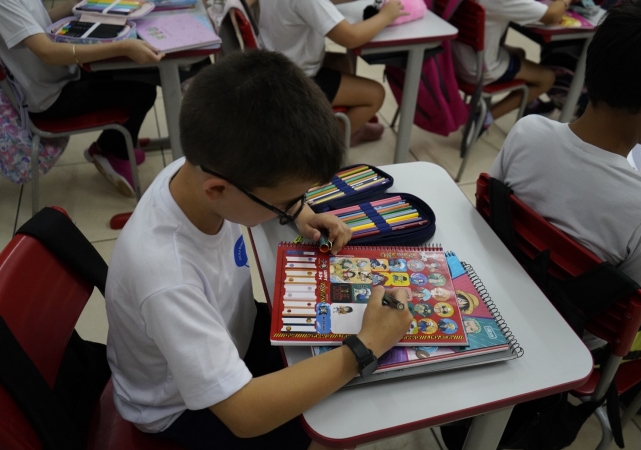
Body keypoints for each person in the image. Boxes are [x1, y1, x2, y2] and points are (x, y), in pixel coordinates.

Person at [104, 50, 413, 450]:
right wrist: (366, 347)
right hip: (179, 410)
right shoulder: (166, 275)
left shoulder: (201, 167)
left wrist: (300, 211)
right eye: (284, 201)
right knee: (346, 416)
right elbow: (245, 416)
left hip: (234, 336)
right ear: (218, 189)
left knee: (347, 357)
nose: (291, 207)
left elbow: (255, 194)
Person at [489, 0, 641, 415]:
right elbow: (630, 321)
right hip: (573, 342)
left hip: (498, 294)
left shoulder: (528, 131)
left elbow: (490, 215)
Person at [0, 0, 162, 197]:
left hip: (62, 75)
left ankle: (114, 145)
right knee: (142, 92)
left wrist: (77, 4)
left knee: (138, 74)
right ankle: (113, 152)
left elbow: (37, 24)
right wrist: (123, 47)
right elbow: (47, 53)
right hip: (51, 97)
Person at [258, 0, 407, 147]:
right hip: (294, 83)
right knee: (376, 94)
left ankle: (352, 128)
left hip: (272, 66)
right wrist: (386, 15)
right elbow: (351, 38)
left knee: (340, 60)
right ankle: (327, 143)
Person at [451, 0, 566, 132]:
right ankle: (484, 119)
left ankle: (529, 102)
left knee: (519, 53)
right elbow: (552, 16)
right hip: (478, 69)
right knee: (547, 78)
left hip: (453, 58)